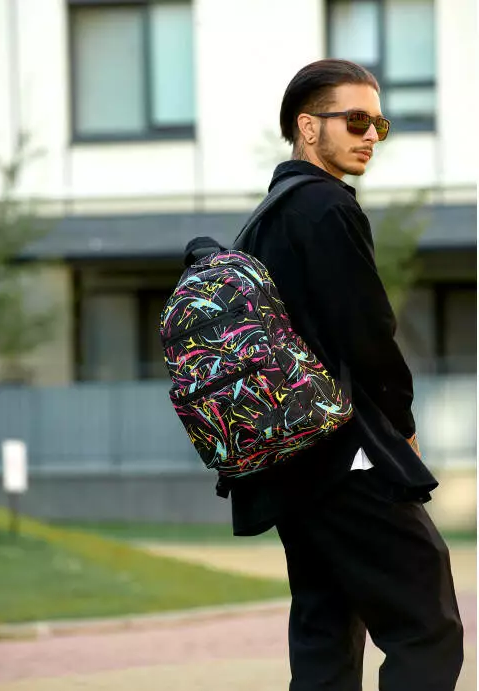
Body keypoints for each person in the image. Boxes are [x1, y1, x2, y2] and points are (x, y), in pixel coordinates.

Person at [227, 59, 463, 691]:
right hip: (343, 453)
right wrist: (402, 428)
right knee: (426, 623)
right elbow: (367, 332)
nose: (371, 136)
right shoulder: (327, 206)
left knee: (325, 631)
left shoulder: (266, 217)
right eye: (356, 120)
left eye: (379, 124)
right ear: (309, 128)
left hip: (288, 461)